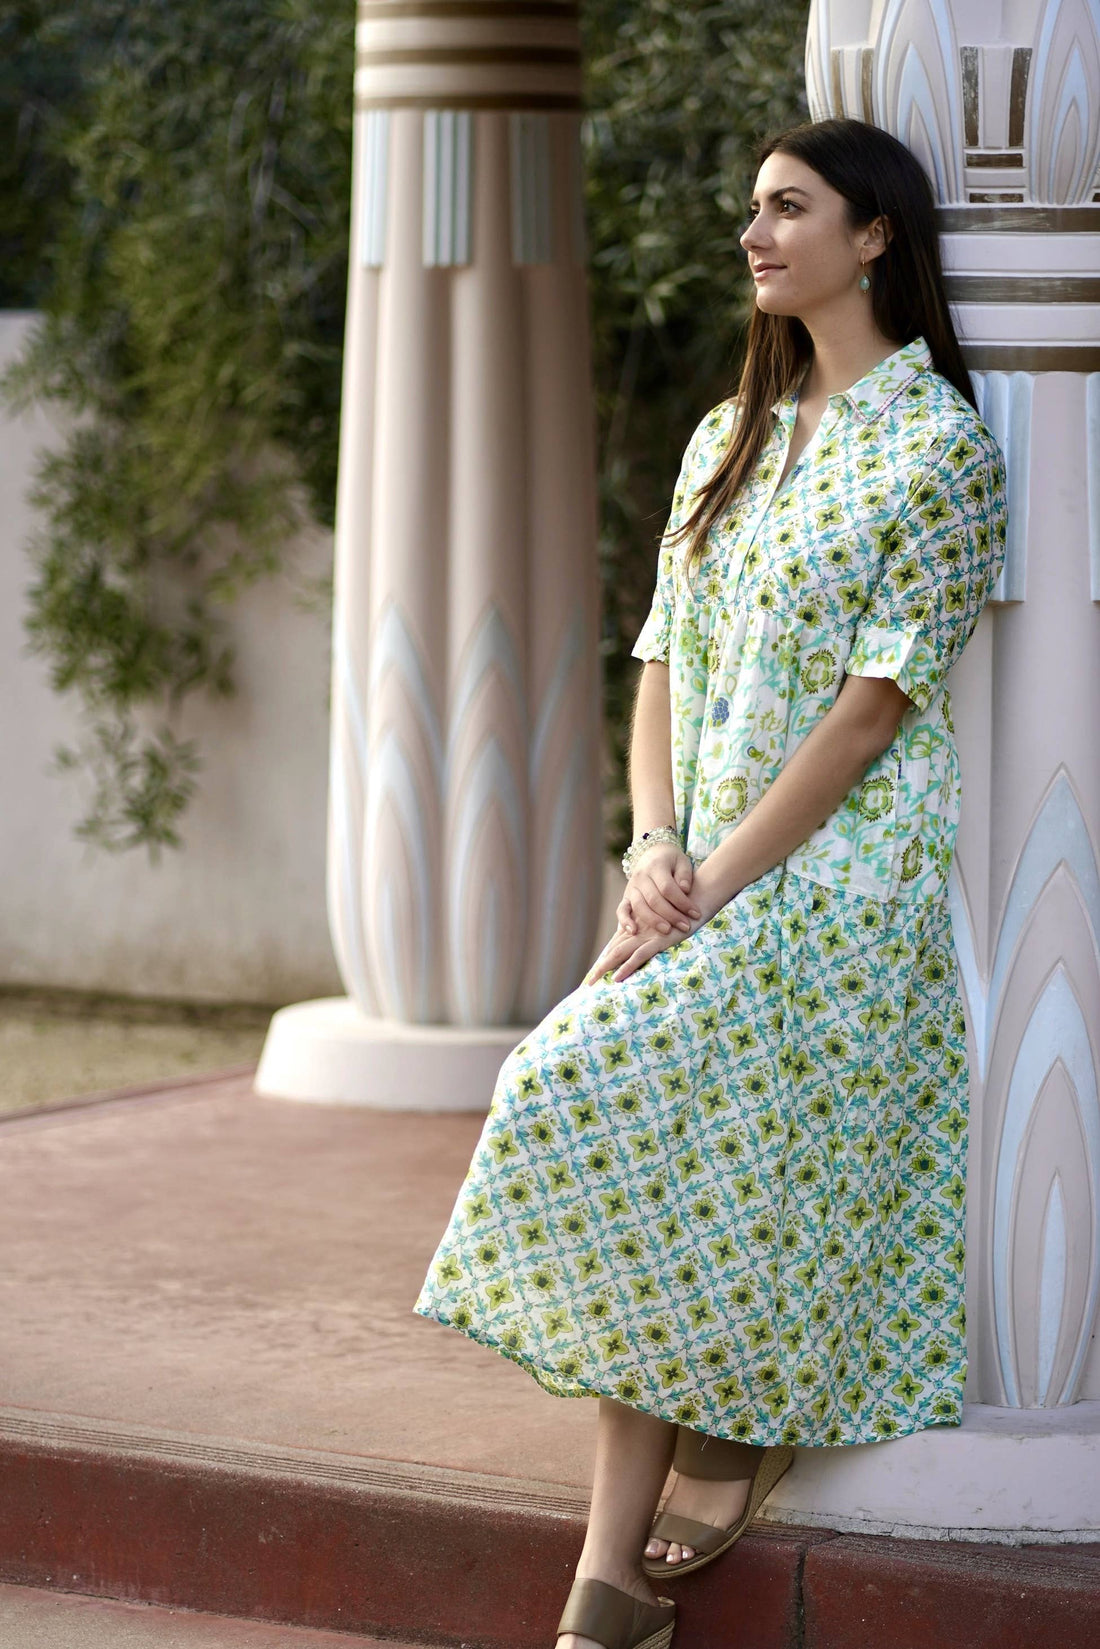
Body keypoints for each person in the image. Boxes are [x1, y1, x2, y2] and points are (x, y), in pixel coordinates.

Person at [413, 116, 1008, 1649]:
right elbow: (661, 660)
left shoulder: (940, 450)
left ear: (873, 235)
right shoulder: (725, 435)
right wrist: (654, 847)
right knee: (605, 1103)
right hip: (700, 868)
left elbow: (872, 712)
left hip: (843, 878)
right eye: (752, 209)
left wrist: (713, 888)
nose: (753, 235)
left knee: (588, 1075)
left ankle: (640, 1539)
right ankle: (634, 1543)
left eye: (788, 208)